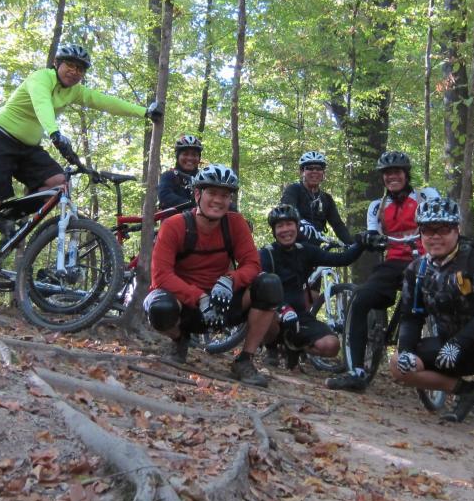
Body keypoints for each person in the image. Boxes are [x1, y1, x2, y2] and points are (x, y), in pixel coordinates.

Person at [0, 43, 163, 273]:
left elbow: (105, 102)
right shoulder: (41, 78)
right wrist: (55, 133)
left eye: (80, 69)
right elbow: (41, 104)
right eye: (70, 65)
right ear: (57, 64)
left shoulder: (74, 91)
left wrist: (144, 112)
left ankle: (9, 218)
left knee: (58, 184)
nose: (74, 72)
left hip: (28, 148)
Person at [389, 196, 474, 452]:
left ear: (456, 230)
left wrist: (457, 344)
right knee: (398, 365)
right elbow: (411, 316)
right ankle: (466, 391)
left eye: (444, 229)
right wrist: (406, 350)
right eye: (428, 230)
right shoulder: (416, 270)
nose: (435, 236)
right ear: (420, 233)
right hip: (449, 345)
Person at [144, 164, 282, 386]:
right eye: (212, 193)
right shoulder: (174, 226)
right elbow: (160, 277)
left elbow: (252, 264)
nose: (218, 200)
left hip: (223, 302)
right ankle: (179, 340)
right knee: (159, 308)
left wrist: (229, 280)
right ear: (198, 194)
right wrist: (199, 297)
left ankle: (245, 360)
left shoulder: (235, 223)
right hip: (187, 305)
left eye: (225, 195)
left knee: (269, 284)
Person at [326, 149, 439, 392]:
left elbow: (443, 222)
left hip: (426, 261)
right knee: (361, 298)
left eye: (396, 172)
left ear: (406, 174)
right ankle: (356, 371)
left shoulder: (426, 196)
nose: (392, 177)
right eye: (387, 174)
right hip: (394, 262)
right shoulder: (377, 206)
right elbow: (374, 232)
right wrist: (370, 238)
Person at [259, 203, 364, 369]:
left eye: (289, 224)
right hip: (274, 312)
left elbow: (341, 259)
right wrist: (282, 308)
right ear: (274, 230)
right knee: (267, 313)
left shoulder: (306, 251)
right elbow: (258, 286)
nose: (285, 230)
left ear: (297, 226)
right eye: (280, 226)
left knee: (331, 345)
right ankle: (271, 349)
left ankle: (294, 346)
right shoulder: (266, 253)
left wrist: (362, 244)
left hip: (299, 316)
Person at [280, 151, 352, 244]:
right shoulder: (294, 190)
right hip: (293, 246)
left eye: (319, 169)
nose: (314, 172)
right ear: (302, 172)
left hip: (315, 249)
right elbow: (287, 209)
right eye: (310, 168)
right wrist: (301, 222)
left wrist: (352, 244)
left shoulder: (326, 198)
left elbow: (338, 225)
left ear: (323, 173)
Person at [158, 134, 202, 209]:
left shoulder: (203, 177)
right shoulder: (169, 175)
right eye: (185, 154)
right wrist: (193, 205)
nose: (190, 158)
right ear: (177, 156)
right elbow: (164, 196)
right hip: (173, 218)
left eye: (194, 155)